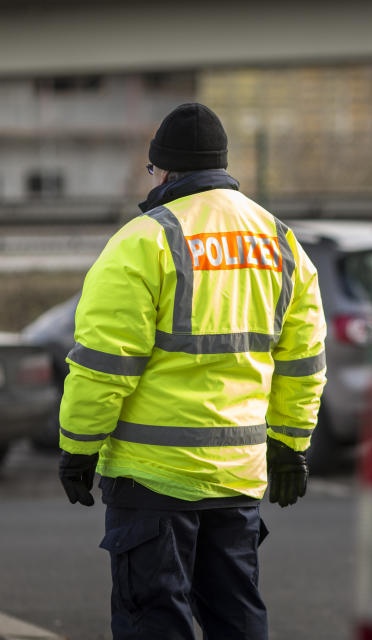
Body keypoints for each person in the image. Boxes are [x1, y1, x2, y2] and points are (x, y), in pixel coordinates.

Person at [56, 103, 327, 639]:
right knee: (237, 619)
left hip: (153, 480)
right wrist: (291, 444)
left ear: (164, 169)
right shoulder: (280, 242)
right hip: (238, 477)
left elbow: (104, 367)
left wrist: (77, 447)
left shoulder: (143, 241)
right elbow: (304, 361)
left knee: (155, 621)